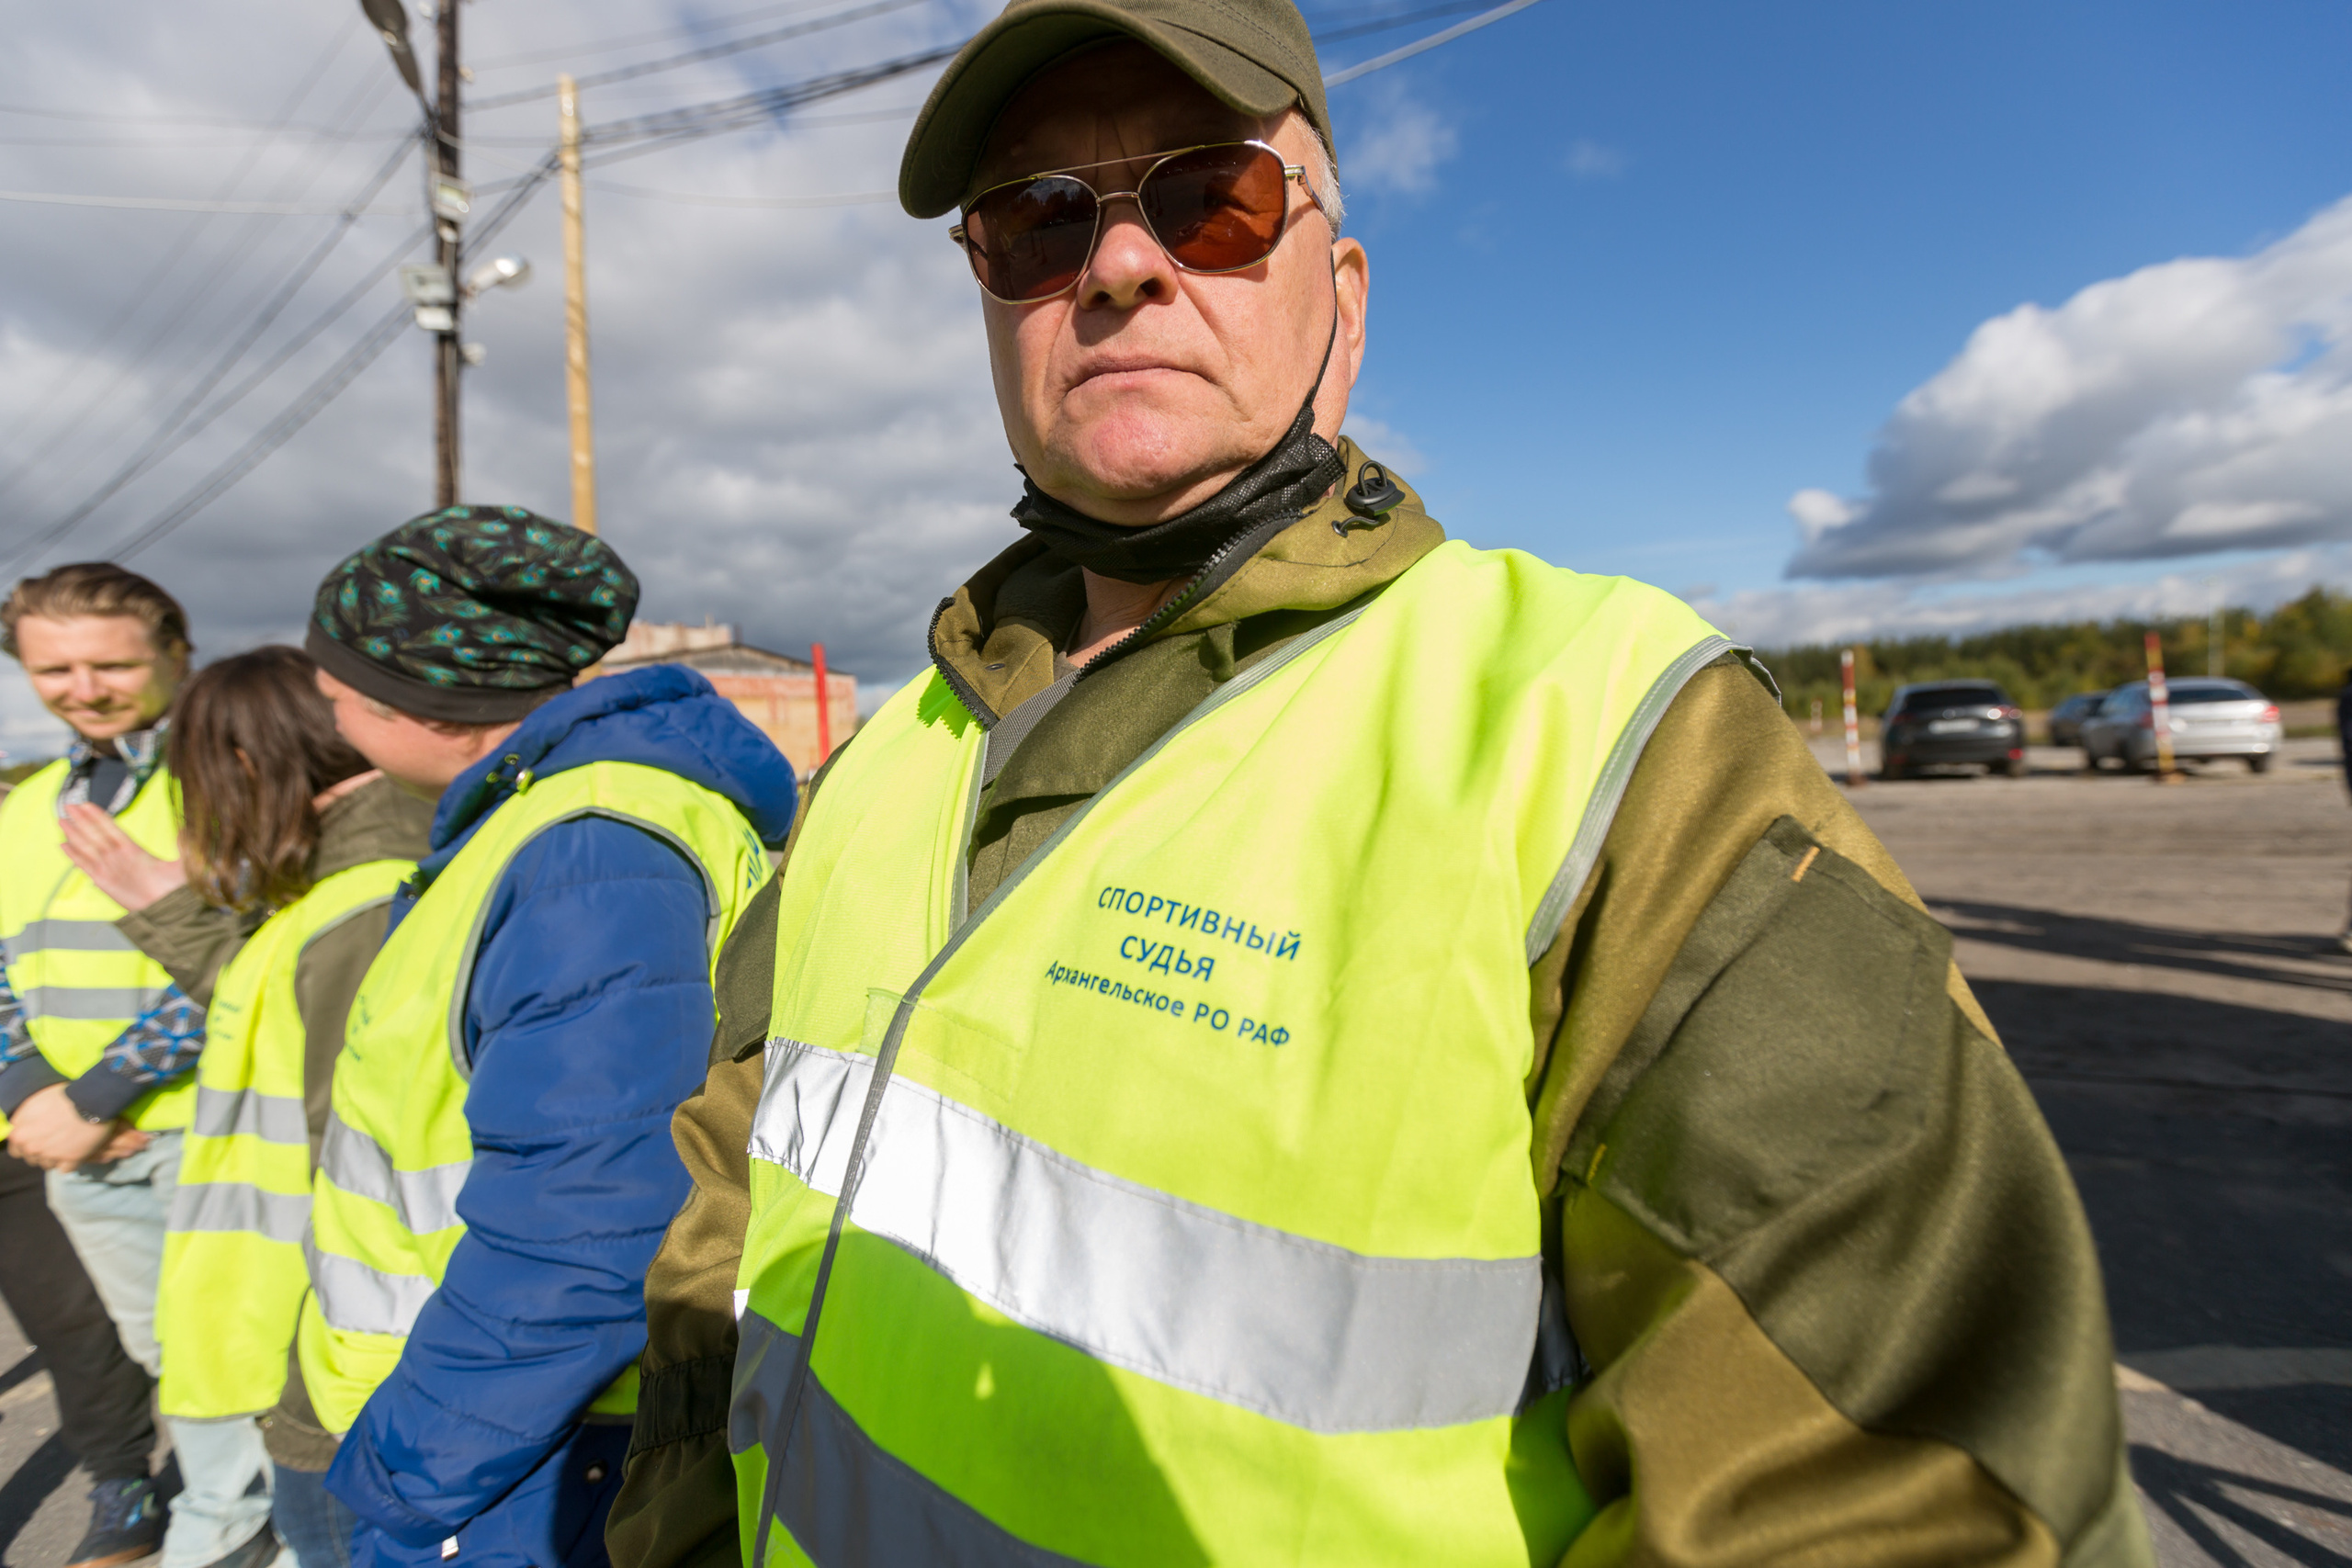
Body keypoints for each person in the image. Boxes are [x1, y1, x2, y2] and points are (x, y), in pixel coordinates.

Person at [609, 2, 2154, 1563]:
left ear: (1341, 304)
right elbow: (727, 1220)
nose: (1119, 266)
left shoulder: (1609, 739)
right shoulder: (887, 757)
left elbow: (1892, 1497)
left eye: (1215, 198)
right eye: (1034, 216)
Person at [288, 508, 796, 1568]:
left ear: (430, 701)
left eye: (340, 689)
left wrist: (411, 1469)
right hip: (521, 1426)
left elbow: (593, 1225)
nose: (327, 711)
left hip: (533, 1450)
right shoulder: (558, 821)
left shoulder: (586, 850)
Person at [62, 646, 435, 1568]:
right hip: (334, 1340)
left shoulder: (354, 907)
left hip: (338, 1355)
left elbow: (345, 1139)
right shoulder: (348, 896)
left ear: (241, 767)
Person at [0, 562, 277, 1568]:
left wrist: (96, 1094)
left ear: (176, 652)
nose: (85, 689)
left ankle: (236, 1538)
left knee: (244, 1356)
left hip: (212, 1131)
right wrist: (27, 1092)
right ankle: (227, 1524)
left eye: (112, 663)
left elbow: (254, 951)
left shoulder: (236, 774)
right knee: (175, 1361)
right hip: (82, 1146)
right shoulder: (29, 804)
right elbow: (3, 962)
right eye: (54, 669)